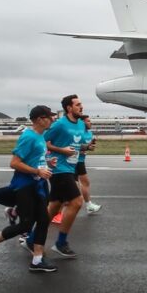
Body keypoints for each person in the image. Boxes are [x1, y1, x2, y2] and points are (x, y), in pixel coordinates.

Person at [0, 106, 59, 272]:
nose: (52, 119)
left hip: (39, 185)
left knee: (44, 220)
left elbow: (34, 158)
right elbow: (14, 163)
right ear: (38, 119)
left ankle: (37, 261)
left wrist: (46, 164)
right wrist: (38, 171)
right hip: (25, 186)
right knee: (26, 225)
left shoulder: (40, 137)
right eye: (48, 117)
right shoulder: (28, 137)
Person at [42, 94, 87, 258]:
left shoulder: (81, 124)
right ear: (69, 108)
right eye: (78, 105)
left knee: (54, 207)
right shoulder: (60, 124)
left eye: (81, 104)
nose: (81, 107)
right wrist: (61, 151)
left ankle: (32, 238)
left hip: (71, 168)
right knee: (76, 202)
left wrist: (85, 147)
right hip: (59, 169)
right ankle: (60, 242)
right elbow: (43, 141)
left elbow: (75, 144)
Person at [78, 115, 101, 214]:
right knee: (73, 187)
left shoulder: (90, 133)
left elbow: (88, 147)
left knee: (85, 183)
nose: (90, 123)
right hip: (74, 161)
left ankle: (88, 205)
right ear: (82, 123)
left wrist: (90, 147)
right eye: (88, 121)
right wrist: (83, 149)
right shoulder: (78, 133)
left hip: (81, 161)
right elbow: (72, 146)